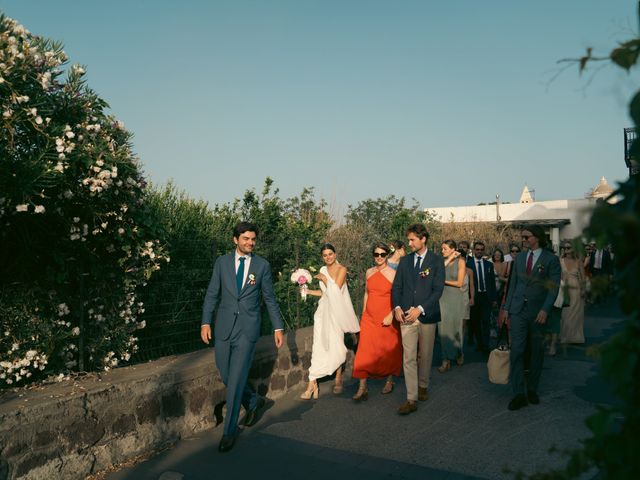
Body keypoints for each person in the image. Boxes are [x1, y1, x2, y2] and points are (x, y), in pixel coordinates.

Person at [201, 221, 284, 452]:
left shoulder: (262, 265)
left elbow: (269, 299)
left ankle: (229, 432)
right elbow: (211, 294)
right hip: (224, 327)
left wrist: (278, 327)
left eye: (253, 239)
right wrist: (205, 322)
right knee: (225, 373)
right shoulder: (222, 262)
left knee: (236, 378)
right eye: (246, 238)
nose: (250, 243)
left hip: (248, 330)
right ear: (235, 239)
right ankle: (253, 401)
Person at [504, 225, 561, 411]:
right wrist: (506, 309)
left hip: (538, 313)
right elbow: (513, 285)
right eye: (523, 237)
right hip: (518, 311)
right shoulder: (519, 258)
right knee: (517, 351)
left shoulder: (551, 259)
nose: (523, 240)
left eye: (526, 237)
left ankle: (532, 389)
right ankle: (518, 393)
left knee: (536, 351)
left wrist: (545, 309)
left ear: (536, 237)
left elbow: (553, 288)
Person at [391, 224, 445, 415]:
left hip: (427, 315)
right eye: (408, 239)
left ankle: (423, 385)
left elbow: (438, 290)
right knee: (409, 358)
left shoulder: (436, 261)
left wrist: (420, 309)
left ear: (423, 239)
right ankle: (411, 398)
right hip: (406, 316)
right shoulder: (405, 261)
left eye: (412, 239)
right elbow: (396, 287)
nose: (409, 243)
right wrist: (397, 307)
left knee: (426, 355)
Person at [300, 244, 360, 399]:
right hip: (323, 312)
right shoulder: (322, 270)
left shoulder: (342, 269)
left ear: (335, 254)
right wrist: (307, 291)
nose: (328, 257)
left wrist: (326, 279)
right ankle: (312, 383)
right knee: (319, 345)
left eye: (330, 254)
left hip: (336, 312)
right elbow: (324, 293)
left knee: (337, 344)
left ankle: (338, 378)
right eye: (325, 255)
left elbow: (336, 291)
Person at [351, 243, 403, 400]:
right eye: (376, 254)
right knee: (364, 350)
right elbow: (367, 293)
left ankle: (389, 380)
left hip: (387, 316)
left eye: (382, 254)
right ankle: (362, 387)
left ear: (387, 255)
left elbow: (398, 297)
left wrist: (391, 314)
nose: (379, 257)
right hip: (369, 318)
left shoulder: (393, 273)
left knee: (387, 349)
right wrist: (363, 313)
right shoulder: (369, 272)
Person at [437, 240, 466, 372]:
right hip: (442, 298)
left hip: (455, 297)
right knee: (443, 328)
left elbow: (459, 283)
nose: (442, 251)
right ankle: (445, 360)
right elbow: (436, 274)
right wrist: (448, 259)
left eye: (445, 249)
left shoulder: (461, 262)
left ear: (453, 249)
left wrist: (443, 281)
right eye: (442, 249)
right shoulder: (441, 262)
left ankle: (459, 352)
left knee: (455, 326)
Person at [467, 241, 497, 354]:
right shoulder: (468, 264)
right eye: (477, 249)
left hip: (486, 296)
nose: (479, 251)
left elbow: (492, 283)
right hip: (474, 296)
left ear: (483, 251)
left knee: (486, 322)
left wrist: (494, 299)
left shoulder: (488, 265)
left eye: (481, 249)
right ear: (474, 250)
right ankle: (479, 344)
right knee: (475, 322)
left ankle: (485, 345)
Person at [560, 242, 586, 345]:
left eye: (569, 247)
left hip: (576, 289)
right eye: (565, 247)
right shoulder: (560, 260)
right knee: (565, 314)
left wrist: (583, 290)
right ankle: (565, 336)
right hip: (564, 289)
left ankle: (576, 337)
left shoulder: (578, 261)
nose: (566, 249)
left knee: (576, 314)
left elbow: (583, 277)